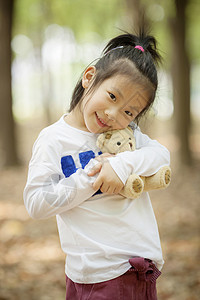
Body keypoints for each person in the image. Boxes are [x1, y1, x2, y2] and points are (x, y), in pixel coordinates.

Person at [24, 30, 170, 300]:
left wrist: (121, 165)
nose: (114, 115)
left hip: (132, 271)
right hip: (88, 275)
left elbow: (161, 155)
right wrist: (89, 179)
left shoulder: (128, 135)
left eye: (129, 112)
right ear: (90, 77)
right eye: (112, 96)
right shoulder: (54, 139)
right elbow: (36, 202)